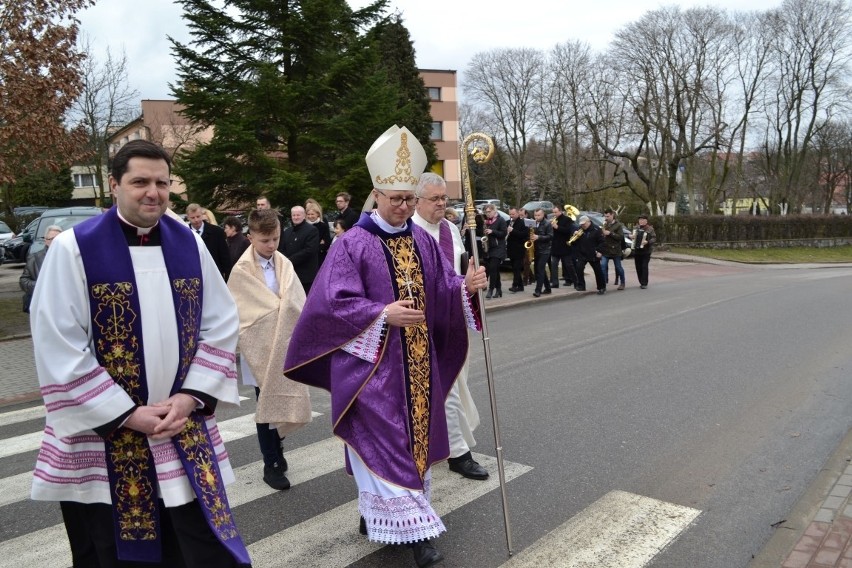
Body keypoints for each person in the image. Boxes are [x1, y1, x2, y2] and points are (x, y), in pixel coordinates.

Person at [29, 139, 251, 567]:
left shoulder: (190, 244)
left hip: (178, 427)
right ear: (114, 185)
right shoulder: (74, 249)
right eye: (140, 182)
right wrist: (127, 413)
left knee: (197, 549)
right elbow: (58, 343)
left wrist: (189, 397)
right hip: (107, 437)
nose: (153, 192)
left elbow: (221, 323)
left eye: (162, 183)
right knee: (111, 552)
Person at [283, 125, 487, 568]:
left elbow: (441, 284)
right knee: (388, 442)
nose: (404, 207)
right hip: (372, 371)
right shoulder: (351, 244)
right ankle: (417, 536)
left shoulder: (421, 241)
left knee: (416, 441)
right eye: (396, 198)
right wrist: (381, 314)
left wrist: (465, 286)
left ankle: (374, 514)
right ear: (375, 194)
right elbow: (330, 306)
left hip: (418, 365)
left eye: (410, 199)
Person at [227, 209, 312, 492]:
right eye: (265, 240)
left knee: (282, 395)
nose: (271, 245)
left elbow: (296, 301)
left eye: (275, 238)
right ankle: (271, 463)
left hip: (285, 344)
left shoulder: (283, 263)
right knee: (266, 400)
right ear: (250, 237)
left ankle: (279, 449)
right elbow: (242, 312)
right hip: (260, 348)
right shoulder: (241, 271)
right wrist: (273, 314)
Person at [412, 172, 488, 482]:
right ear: (417, 201)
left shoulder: (450, 230)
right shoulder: (409, 232)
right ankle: (458, 453)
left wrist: (471, 283)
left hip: (453, 317)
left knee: (455, 384)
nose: (442, 203)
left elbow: (457, 271)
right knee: (448, 389)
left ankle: (440, 443)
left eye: (445, 198)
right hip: (424, 323)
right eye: (435, 198)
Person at [20, 225, 62, 313]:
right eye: (52, 239)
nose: (56, 242)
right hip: (42, 306)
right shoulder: (34, 258)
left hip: (64, 305)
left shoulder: (70, 258)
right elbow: (23, 281)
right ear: (46, 240)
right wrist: (41, 285)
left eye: (59, 239)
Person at [279, 205, 319, 292]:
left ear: (304, 216)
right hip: (290, 274)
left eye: (298, 215)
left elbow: (309, 251)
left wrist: (290, 260)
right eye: (294, 215)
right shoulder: (287, 231)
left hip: (305, 276)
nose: (296, 217)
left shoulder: (312, 230)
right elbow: (281, 248)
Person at [187, 203, 232, 280]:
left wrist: (228, 277)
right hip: (192, 276)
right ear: (188, 218)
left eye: (198, 216)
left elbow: (225, 257)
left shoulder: (217, 232)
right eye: (193, 217)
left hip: (214, 275)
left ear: (202, 215)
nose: (196, 220)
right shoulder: (184, 233)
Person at [574, 215, 606, 294]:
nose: (582, 226)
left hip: (593, 254)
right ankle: (581, 285)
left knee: (597, 271)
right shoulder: (580, 229)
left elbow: (602, 242)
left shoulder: (596, 229)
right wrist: (575, 236)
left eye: (584, 224)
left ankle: (601, 287)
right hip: (582, 253)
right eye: (581, 224)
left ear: (588, 222)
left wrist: (599, 251)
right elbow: (575, 243)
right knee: (578, 268)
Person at [481, 203, 507, 299]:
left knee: (492, 268)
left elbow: (503, 233)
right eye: (486, 212)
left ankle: (491, 289)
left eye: (489, 211)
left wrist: (493, 232)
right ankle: (499, 289)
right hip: (490, 248)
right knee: (494, 270)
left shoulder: (501, 220)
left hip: (498, 248)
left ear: (494, 211)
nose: (487, 214)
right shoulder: (487, 222)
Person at [549, 205, 578, 289]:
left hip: (564, 246)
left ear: (560, 211)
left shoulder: (567, 219)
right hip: (555, 246)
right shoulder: (553, 220)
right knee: (554, 265)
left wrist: (557, 227)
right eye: (553, 212)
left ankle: (575, 281)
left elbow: (568, 231)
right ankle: (555, 283)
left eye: (556, 212)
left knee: (568, 265)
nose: (554, 214)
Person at [600, 208, 626, 290]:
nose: (606, 218)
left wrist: (610, 233)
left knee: (618, 267)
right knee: (603, 266)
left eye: (607, 216)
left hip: (615, 250)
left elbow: (621, 237)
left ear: (612, 215)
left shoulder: (618, 225)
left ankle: (622, 283)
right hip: (605, 249)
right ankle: (603, 284)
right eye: (605, 216)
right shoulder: (605, 224)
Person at [530, 208, 553, 297]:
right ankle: (548, 288)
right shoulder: (533, 223)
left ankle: (537, 290)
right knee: (539, 269)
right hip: (536, 249)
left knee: (540, 269)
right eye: (535, 215)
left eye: (538, 215)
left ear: (543, 215)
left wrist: (538, 237)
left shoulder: (547, 224)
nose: (536, 217)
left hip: (545, 250)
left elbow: (550, 236)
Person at [506, 207, 528, 293]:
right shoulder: (508, 222)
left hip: (519, 249)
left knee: (517, 268)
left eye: (513, 214)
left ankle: (515, 285)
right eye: (510, 214)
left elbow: (524, 235)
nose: (511, 216)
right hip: (511, 248)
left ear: (518, 213)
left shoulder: (523, 223)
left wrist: (513, 231)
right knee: (514, 268)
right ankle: (521, 286)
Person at [632, 214, 657, 289]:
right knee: (638, 267)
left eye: (643, 220)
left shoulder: (650, 229)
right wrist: (631, 236)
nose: (641, 221)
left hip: (646, 251)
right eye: (640, 220)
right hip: (637, 250)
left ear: (646, 221)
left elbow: (654, 238)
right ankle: (641, 281)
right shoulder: (635, 228)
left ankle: (644, 283)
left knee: (644, 266)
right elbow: (632, 237)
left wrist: (648, 242)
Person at [305, 198, 331, 266]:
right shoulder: (304, 226)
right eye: (308, 214)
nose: (310, 216)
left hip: (319, 258)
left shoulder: (323, 226)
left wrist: (316, 248)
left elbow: (327, 242)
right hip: (306, 258)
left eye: (312, 214)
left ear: (318, 214)